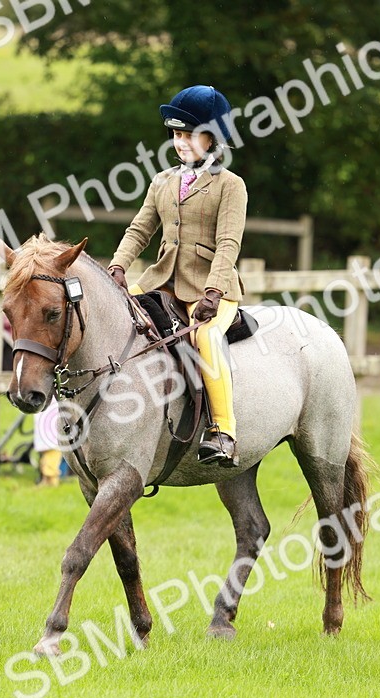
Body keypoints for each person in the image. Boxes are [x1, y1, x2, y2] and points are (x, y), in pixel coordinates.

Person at [107, 85, 248, 467]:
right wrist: (118, 268)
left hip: (210, 290)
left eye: (188, 134)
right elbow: (139, 230)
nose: (179, 142)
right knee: (115, 315)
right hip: (162, 279)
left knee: (205, 336)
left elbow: (228, 244)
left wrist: (214, 291)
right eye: (175, 134)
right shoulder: (162, 181)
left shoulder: (230, 186)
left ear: (213, 137)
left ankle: (223, 430)